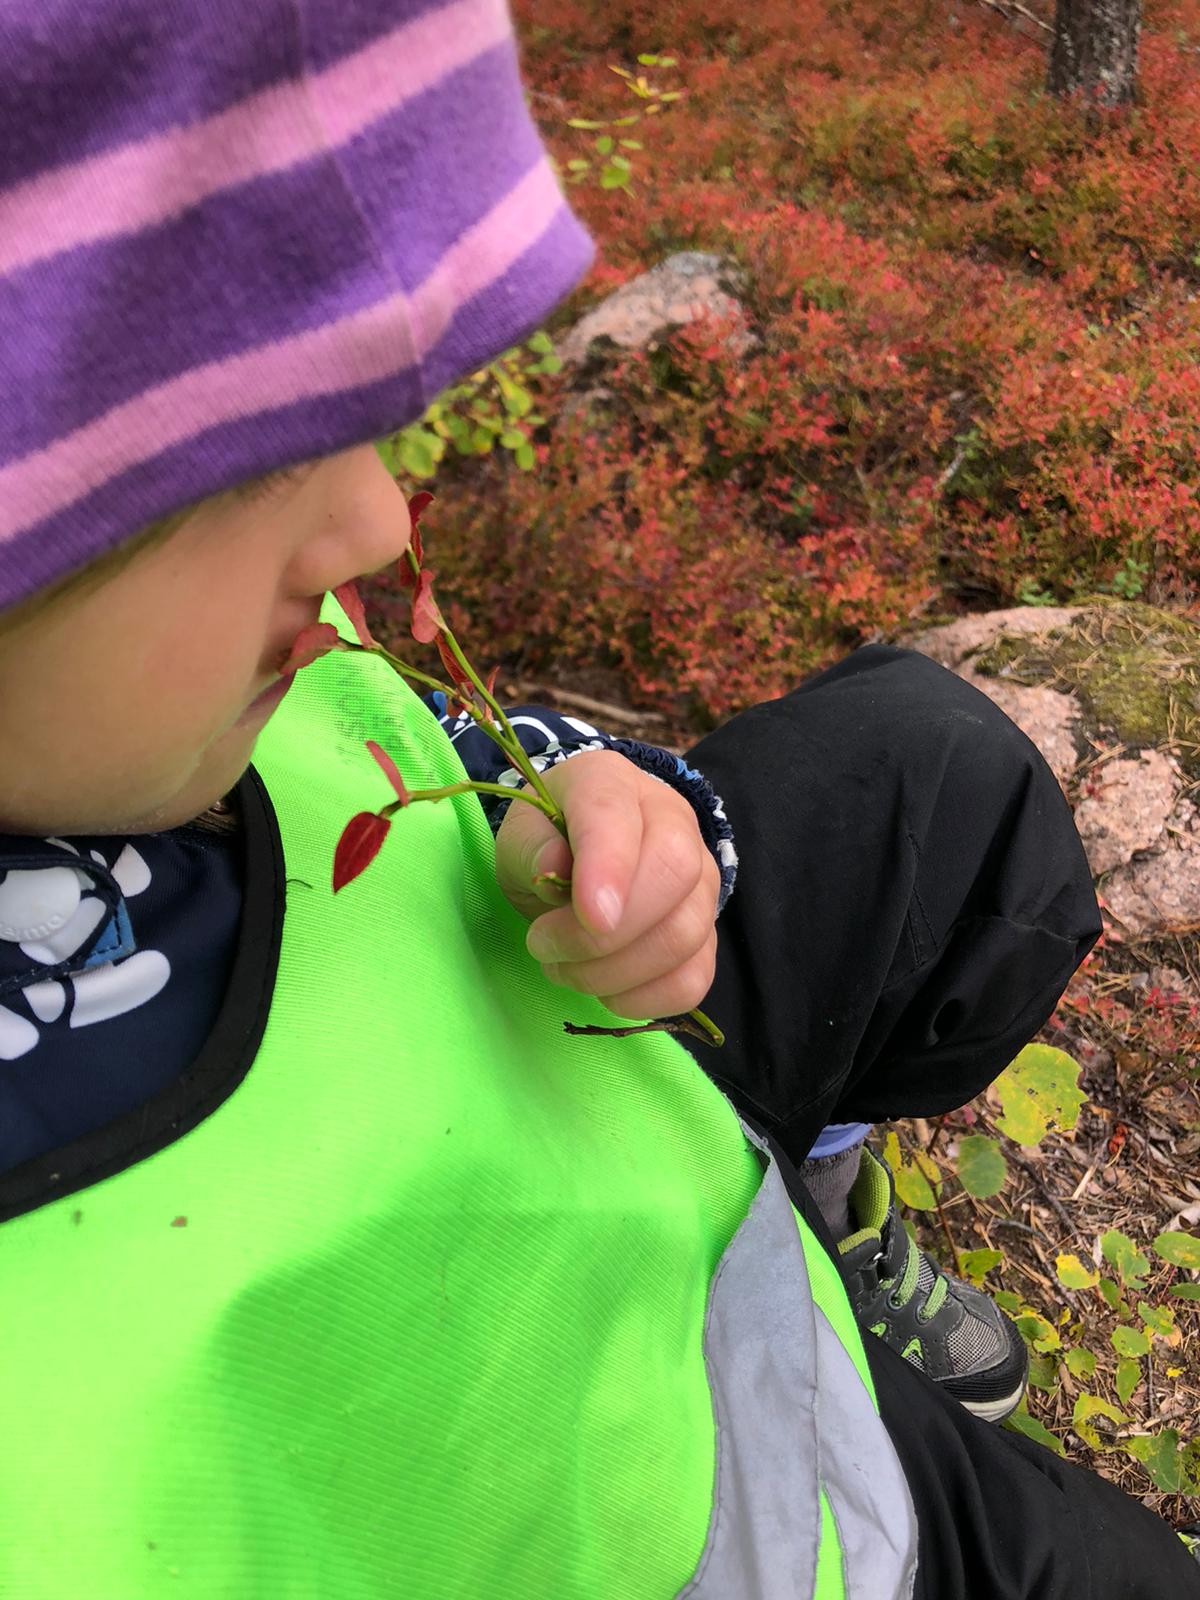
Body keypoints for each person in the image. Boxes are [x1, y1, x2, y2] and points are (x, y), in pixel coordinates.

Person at [0, 0, 1194, 1595]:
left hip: (652, 1169)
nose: (376, 525)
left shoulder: (126, 704)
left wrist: (592, 803)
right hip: (760, 1523)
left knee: (933, 773)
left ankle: (817, 1185)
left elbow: (412, 734)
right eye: (246, 462)